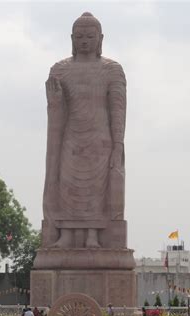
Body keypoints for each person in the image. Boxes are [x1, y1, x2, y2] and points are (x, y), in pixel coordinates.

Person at [43, 12, 127, 248]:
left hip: (100, 140)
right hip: (71, 138)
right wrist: (55, 101)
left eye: (90, 36)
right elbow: (57, 110)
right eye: (79, 36)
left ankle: (92, 234)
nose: (85, 41)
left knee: (95, 189)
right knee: (67, 185)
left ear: (100, 39)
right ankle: (67, 235)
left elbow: (118, 109)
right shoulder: (59, 70)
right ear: (72, 38)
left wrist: (118, 145)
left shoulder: (112, 70)